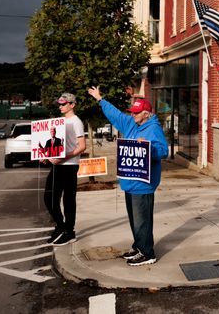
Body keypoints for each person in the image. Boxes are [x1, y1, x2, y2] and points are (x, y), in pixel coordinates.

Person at [87, 85, 169, 266]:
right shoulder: (132, 123)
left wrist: (148, 147)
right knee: (134, 220)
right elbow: (115, 115)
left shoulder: (153, 129)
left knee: (142, 220)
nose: (133, 115)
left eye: (136, 113)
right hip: (129, 181)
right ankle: (139, 246)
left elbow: (163, 152)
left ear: (146, 114)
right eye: (132, 112)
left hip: (143, 183)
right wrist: (100, 99)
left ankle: (148, 253)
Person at [44, 92, 86, 246]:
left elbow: (82, 146)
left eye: (63, 104)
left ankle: (69, 231)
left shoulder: (76, 122)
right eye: (59, 104)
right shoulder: (60, 122)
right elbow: (56, 145)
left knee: (68, 200)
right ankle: (60, 226)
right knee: (49, 198)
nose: (60, 106)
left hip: (69, 165)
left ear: (72, 105)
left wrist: (64, 157)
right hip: (57, 165)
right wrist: (45, 155)